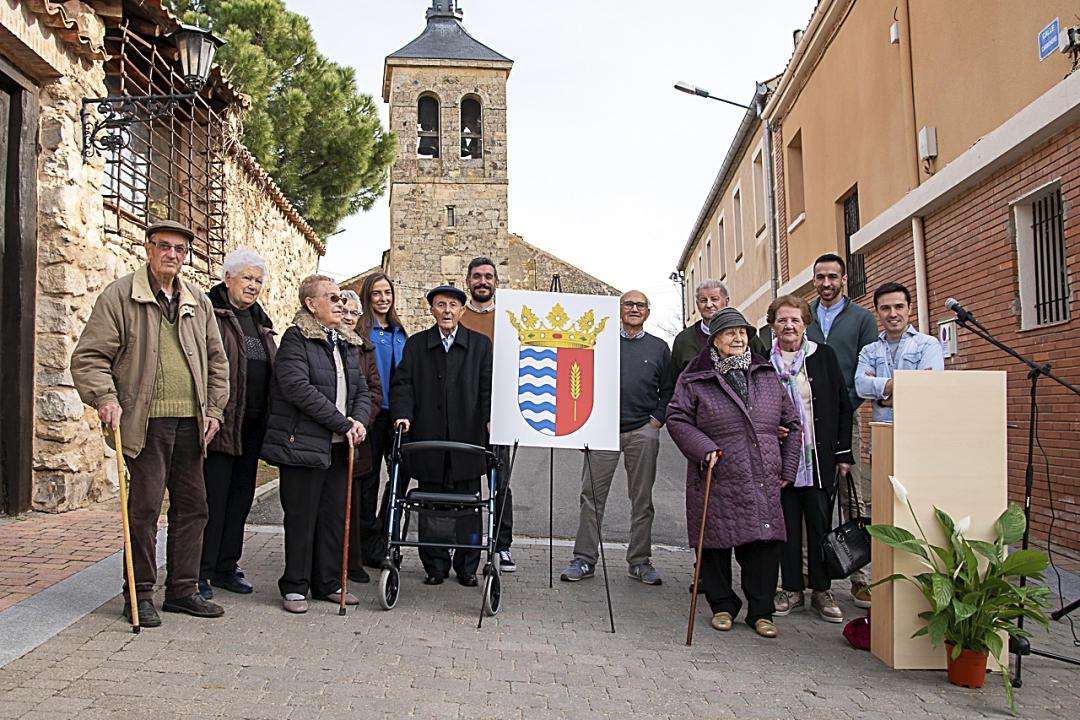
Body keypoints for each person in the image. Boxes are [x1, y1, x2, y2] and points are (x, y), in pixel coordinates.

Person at [71, 220, 230, 627]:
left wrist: (214, 409)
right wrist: (106, 398)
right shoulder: (121, 295)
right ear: (148, 248)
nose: (172, 255)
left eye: (179, 249)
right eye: (164, 246)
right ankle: (139, 595)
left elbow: (217, 361)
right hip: (144, 422)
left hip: (191, 422)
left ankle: (183, 590)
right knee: (144, 510)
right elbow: (90, 357)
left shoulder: (197, 300)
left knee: (194, 507)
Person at [667, 307, 802, 638]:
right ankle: (723, 607)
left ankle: (761, 612)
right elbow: (677, 418)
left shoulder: (766, 373)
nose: (738, 338)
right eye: (730, 332)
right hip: (717, 471)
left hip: (762, 472)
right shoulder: (695, 377)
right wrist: (704, 448)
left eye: (742, 332)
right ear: (715, 340)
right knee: (714, 543)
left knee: (764, 545)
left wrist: (787, 467)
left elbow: (792, 423)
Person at [261, 275, 369, 614]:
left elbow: (361, 389)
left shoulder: (346, 342)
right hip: (303, 445)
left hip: (339, 446)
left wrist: (359, 421)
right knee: (302, 518)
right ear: (311, 304)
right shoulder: (296, 338)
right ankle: (295, 585)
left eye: (341, 298)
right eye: (332, 298)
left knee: (333, 517)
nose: (340, 303)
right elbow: (297, 388)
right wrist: (342, 422)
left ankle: (328, 582)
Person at [560, 290, 673, 586]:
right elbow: (582, 380)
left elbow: (669, 389)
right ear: (619, 309)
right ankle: (584, 559)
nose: (634, 308)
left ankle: (639, 561)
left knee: (642, 499)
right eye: (628, 304)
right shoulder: (601, 342)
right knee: (591, 498)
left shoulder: (659, 348)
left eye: (640, 305)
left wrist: (656, 421)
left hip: (642, 431)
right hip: (602, 431)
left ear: (648, 312)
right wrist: (582, 425)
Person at [390, 285, 493, 586]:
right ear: (432, 310)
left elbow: (488, 386)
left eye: (453, 305)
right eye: (440, 305)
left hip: (467, 439)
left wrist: (490, 418)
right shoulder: (417, 345)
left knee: (468, 506)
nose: (447, 311)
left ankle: (467, 566)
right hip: (429, 438)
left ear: (462, 310)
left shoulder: (480, 345)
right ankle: (435, 565)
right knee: (431, 505)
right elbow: (403, 384)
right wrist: (402, 414)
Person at [765, 296, 853, 623]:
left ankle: (821, 589)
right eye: (782, 320)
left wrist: (843, 452)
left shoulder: (823, 356)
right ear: (773, 325)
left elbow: (843, 405)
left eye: (795, 320)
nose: (789, 325)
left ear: (805, 324)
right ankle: (791, 588)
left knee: (819, 525)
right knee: (786, 527)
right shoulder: (763, 362)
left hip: (818, 458)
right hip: (779, 460)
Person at [199, 249, 277, 600]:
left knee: (240, 500)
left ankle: (226, 566)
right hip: (220, 424)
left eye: (258, 280)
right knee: (212, 501)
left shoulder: (261, 321)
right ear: (227, 278)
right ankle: (200, 571)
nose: (253, 286)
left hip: (252, 426)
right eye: (247, 278)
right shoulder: (209, 313)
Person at [805, 253, 878, 608]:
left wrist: (842, 408)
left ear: (843, 279)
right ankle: (810, 574)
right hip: (805, 419)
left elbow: (867, 370)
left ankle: (860, 577)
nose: (826, 283)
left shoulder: (862, 319)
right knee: (811, 498)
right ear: (813, 280)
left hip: (846, 417)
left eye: (832, 277)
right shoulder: (804, 316)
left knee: (852, 496)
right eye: (820, 277)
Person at [458, 256, 516, 573]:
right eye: (477, 276)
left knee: (500, 482)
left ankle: (501, 546)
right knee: (465, 481)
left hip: (500, 412)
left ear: (496, 282)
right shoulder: (458, 316)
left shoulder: (509, 318)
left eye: (488, 276)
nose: (483, 281)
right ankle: (464, 544)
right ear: (468, 281)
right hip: (465, 412)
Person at [355, 273, 408, 566]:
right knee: (368, 480)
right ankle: (363, 544)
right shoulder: (362, 331)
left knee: (398, 479)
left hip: (396, 416)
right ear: (368, 296)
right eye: (377, 293)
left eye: (387, 292)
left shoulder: (400, 333)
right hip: (372, 414)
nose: (383, 298)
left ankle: (384, 537)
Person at [339, 289, 383, 582]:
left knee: (355, 505)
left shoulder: (365, 349)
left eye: (353, 313)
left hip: (358, 436)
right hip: (328, 435)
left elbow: (374, 391)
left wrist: (360, 422)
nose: (347, 317)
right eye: (343, 311)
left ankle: (352, 562)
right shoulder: (326, 343)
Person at [855, 282, 945, 424]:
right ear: (877, 312)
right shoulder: (869, 351)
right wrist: (911, 381)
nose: (893, 314)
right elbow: (861, 386)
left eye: (899, 306)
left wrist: (881, 400)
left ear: (909, 309)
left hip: (919, 427)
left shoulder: (928, 345)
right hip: (882, 431)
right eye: (885, 308)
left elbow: (930, 386)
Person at [670, 280, 730, 383]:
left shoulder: (743, 335)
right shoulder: (683, 340)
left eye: (714, 299)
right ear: (697, 304)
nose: (709, 305)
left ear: (726, 301)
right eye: (703, 300)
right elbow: (674, 383)